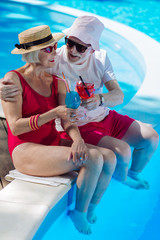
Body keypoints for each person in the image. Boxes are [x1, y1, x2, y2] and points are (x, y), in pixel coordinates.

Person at [0, 16, 159, 189]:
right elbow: (27, 71)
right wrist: (3, 84)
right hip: (80, 124)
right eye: (69, 43)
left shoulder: (100, 59)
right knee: (123, 152)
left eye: (81, 47)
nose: (73, 50)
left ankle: (132, 174)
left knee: (151, 138)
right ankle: (120, 181)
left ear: (92, 49)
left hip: (103, 115)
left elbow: (119, 96)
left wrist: (100, 99)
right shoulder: (55, 59)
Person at [0, 25, 117, 235]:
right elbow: (16, 127)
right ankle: (78, 212)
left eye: (55, 46)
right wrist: (53, 113)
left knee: (108, 156)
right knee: (92, 158)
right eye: (49, 49)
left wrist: (77, 139)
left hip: (51, 142)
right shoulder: (12, 80)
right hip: (25, 149)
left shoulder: (58, 81)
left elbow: (68, 119)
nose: (56, 52)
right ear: (34, 54)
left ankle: (90, 205)